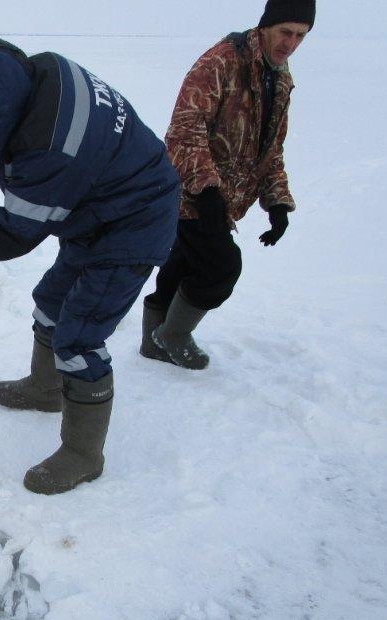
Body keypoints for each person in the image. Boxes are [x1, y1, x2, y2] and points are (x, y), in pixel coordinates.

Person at [0, 18, 179, 495]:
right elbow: (5, 138)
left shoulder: (51, 146)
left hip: (133, 223)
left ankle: (84, 453)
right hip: (99, 205)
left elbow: (16, 231)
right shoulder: (39, 74)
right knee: (51, 301)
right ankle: (46, 390)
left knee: (80, 334)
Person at [140, 0, 315, 369]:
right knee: (221, 266)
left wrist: (278, 201)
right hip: (187, 191)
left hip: (220, 198)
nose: (291, 43)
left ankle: (153, 342)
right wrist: (205, 190)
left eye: (300, 35)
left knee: (186, 262)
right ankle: (172, 336)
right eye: (285, 32)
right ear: (266, 26)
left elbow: (271, 148)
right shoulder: (221, 62)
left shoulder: (279, 76)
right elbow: (184, 131)